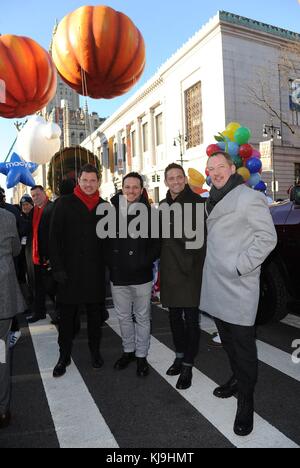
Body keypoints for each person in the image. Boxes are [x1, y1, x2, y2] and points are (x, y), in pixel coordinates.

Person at [200, 151, 277, 437]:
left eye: (221, 167)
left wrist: (240, 267)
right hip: (217, 284)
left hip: (238, 284)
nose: (216, 172)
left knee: (244, 348)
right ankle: (236, 379)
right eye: (211, 168)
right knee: (229, 343)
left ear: (232, 168)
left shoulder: (248, 196)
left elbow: (267, 238)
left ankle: (246, 401)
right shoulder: (212, 198)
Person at [50, 164, 106, 378]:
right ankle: (63, 356)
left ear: (98, 182)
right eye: (85, 180)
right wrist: (57, 269)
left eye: (93, 181)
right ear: (78, 181)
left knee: (94, 319)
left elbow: (109, 242)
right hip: (68, 274)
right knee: (66, 321)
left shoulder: (104, 206)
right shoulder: (64, 204)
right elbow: (53, 239)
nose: (89, 184)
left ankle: (95, 352)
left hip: (94, 274)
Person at [107, 173, 160, 377]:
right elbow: (105, 243)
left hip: (142, 276)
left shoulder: (151, 214)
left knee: (142, 317)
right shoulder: (111, 213)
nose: (131, 191)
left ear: (141, 188)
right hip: (118, 275)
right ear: (122, 188)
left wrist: (143, 261)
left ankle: (141, 355)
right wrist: (112, 263)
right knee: (123, 317)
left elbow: (157, 245)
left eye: (135, 187)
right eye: (127, 187)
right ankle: (128, 351)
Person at [160, 163, 206, 390]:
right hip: (169, 271)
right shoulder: (162, 204)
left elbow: (202, 241)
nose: (176, 181)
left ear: (185, 179)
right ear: (166, 181)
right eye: (171, 178)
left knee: (191, 320)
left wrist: (190, 265)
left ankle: (188, 364)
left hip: (189, 271)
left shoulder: (198, 203)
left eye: (179, 177)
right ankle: (179, 355)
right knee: (174, 318)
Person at [0, 209, 25, 428]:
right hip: (2, 296)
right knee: (1, 355)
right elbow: (16, 249)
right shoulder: (6, 217)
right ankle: (1, 409)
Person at [26, 186, 54, 323]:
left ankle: (61, 315)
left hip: (48, 256)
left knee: (53, 288)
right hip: (35, 256)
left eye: (37, 194)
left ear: (44, 194)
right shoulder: (33, 211)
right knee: (38, 287)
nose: (35, 198)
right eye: (33, 196)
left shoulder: (52, 208)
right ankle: (39, 312)